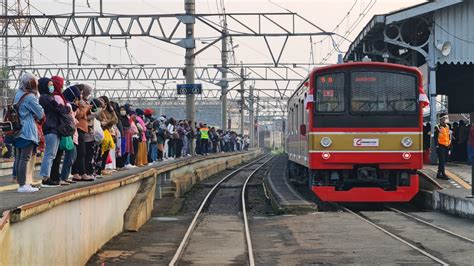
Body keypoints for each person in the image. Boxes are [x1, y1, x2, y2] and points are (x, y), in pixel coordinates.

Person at [13, 73, 44, 192]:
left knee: (20, 157)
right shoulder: (30, 97)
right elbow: (40, 113)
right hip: (27, 130)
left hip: (18, 129)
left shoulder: (18, 94)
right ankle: (23, 185)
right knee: (25, 158)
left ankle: (22, 183)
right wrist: (36, 96)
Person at [38, 77, 70, 187]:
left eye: (52, 84)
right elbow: (58, 108)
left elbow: (59, 108)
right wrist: (66, 109)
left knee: (52, 154)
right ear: (44, 86)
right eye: (49, 85)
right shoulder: (44, 98)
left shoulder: (48, 97)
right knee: (49, 154)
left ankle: (48, 177)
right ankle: (45, 178)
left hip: (54, 128)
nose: (51, 87)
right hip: (50, 127)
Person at [435, 113, 451, 180]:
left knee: (443, 161)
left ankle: (438, 174)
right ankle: (443, 174)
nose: (446, 119)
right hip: (440, 145)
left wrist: (450, 145)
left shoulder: (447, 126)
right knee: (442, 160)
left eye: (446, 118)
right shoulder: (437, 127)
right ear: (441, 119)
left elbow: (448, 136)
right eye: (444, 118)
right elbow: (435, 137)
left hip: (446, 146)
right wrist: (436, 146)